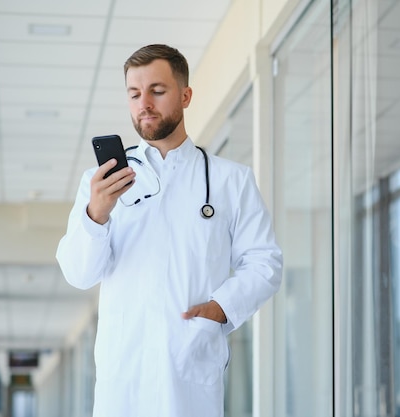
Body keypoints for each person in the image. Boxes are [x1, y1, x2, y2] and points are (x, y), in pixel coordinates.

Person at [56, 44, 283, 416]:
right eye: (134, 93)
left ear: (185, 95)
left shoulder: (231, 181)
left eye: (157, 91)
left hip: (189, 365)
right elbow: (79, 274)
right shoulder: (98, 183)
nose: (144, 103)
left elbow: (264, 263)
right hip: (122, 374)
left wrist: (220, 309)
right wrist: (96, 214)